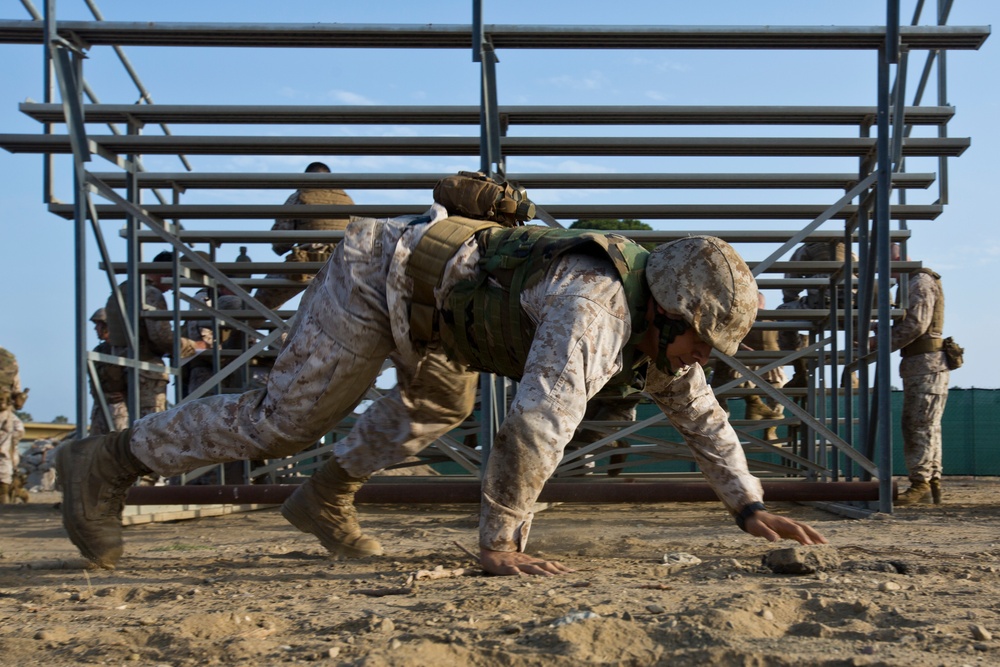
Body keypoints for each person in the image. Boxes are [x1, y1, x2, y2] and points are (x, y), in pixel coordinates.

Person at [57, 172, 827, 575]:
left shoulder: (661, 329)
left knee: (439, 401)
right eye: (699, 341)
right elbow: (534, 427)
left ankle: (326, 496)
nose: (700, 361)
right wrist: (498, 544)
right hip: (377, 278)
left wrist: (747, 505)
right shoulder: (597, 309)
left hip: (437, 315)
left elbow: (702, 416)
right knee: (282, 420)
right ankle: (109, 462)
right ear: (666, 312)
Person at [871, 244, 950, 505]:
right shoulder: (914, 282)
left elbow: (916, 324)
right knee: (927, 426)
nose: (888, 276)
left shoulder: (919, 280)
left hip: (926, 364)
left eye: (888, 268)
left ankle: (922, 483)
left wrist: (878, 342)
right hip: (923, 364)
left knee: (917, 425)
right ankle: (930, 482)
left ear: (898, 260)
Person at [104, 251, 208, 418]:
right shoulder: (151, 293)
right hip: (146, 371)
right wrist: (194, 346)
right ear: (166, 273)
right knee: (151, 426)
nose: (172, 287)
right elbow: (162, 337)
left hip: (120, 366)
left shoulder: (125, 288)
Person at [251, 162, 355, 313]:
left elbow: (279, 243)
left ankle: (244, 335)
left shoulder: (300, 195)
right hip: (343, 267)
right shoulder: (347, 200)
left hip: (307, 264)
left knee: (257, 306)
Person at [777, 240, 858, 387]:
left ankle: (800, 371)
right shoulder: (849, 251)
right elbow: (860, 276)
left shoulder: (805, 250)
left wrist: (792, 301)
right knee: (861, 318)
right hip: (848, 306)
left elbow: (790, 284)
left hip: (818, 303)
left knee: (782, 313)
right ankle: (852, 370)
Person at [711, 292, 788, 441]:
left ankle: (722, 426)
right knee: (777, 386)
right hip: (761, 370)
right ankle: (770, 422)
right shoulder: (774, 320)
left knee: (718, 390)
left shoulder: (739, 318)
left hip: (743, 370)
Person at [87, 308, 130, 435]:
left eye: (99, 325)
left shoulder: (126, 349)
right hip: (101, 406)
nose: (96, 329)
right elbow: (93, 384)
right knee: (96, 445)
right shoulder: (99, 351)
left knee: (119, 443)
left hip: (120, 408)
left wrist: (126, 394)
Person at [0, 346, 29, 503]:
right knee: (5, 453)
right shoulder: (9, 359)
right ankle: (5, 494)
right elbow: (17, 391)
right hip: (3, 412)